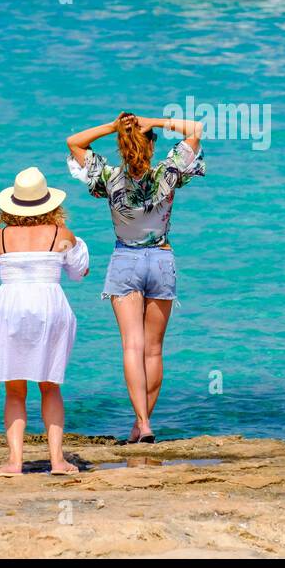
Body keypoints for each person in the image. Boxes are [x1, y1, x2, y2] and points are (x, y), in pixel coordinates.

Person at [66, 113, 205, 444]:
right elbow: (196, 129)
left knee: (132, 345)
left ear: (123, 147)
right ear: (151, 145)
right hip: (161, 259)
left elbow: (74, 142)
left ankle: (141, 423)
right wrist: (152, 120)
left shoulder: (110, 176)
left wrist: (116, 127)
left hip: (125, 260)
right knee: (154, 349)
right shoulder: (167, 173)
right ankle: (143, 423)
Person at [0, 166, 90, 476]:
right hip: (48, 307)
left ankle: (15, 462)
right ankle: (57, 460)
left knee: (14, 391)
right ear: (50, 203)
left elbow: (2, 271)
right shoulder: (62, 234)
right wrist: (73, 246)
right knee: (50, 387)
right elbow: (79, 272)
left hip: (11, 306)